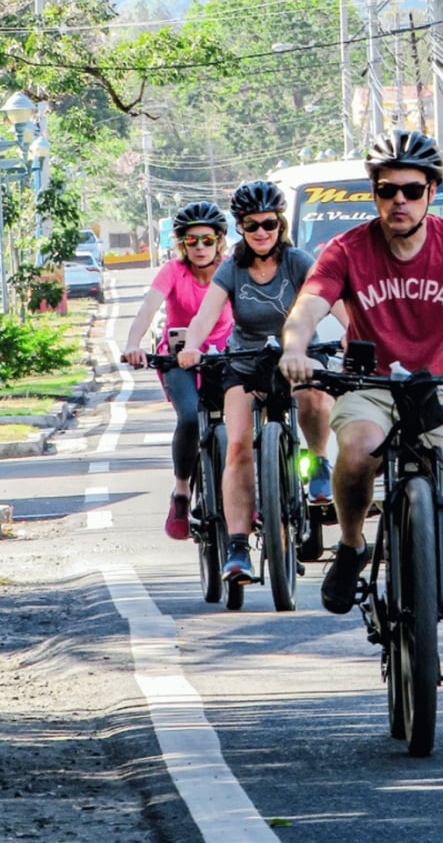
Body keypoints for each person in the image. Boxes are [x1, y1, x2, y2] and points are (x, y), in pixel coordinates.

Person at [279, 129, 443, 687]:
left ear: (432, 192)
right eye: (386, 189)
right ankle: (351, 544)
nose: (399, 200)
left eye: (412, 190)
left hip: (442, 386)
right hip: (370, 383)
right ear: (373, 194)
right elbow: (307, 307)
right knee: (356, 451)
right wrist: (295, 348)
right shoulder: (347, 249)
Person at [181, 180, 340, 585]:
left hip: (298, 353)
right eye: (252, 226)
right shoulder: (231, 269)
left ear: (280, 222)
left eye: (269, 223)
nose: (262, 233)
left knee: (316, 398)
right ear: (240, 228)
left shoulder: (298, 261)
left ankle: (318, 463)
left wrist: (358, 336)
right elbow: (205, 314)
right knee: (236, 445)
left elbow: (336, 303)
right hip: (247, 359)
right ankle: (237, 547)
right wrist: (193, 346)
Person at [123, 201, 235, 540]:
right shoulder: (173, 271)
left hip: (224, 358)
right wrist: (133, 343)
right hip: (178, 359)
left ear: (220, 241)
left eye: (207, 239)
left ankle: (243, 493)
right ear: (181, 244)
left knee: (243, 421)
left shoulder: (231, 269)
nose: (199, 247)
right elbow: (147, 310)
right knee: (189, 416)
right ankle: (182, 492)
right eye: (191, 241)